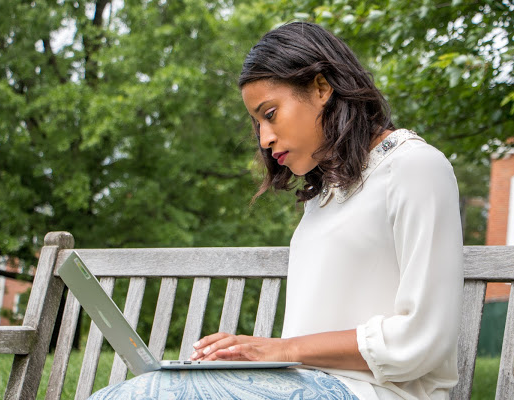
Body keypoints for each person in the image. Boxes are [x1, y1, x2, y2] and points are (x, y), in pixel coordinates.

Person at [89, 21, 464, 400]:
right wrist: (253, 364)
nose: (265, 139)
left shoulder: (415, 167)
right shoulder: (327, 194)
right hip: (306, 385)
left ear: (321, 88)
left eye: (270, 113)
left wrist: (280, 350)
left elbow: (424, 337)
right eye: (257, 124)